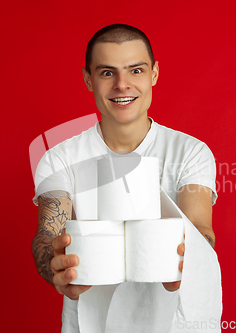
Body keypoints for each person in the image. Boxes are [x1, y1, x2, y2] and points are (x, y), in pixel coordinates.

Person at [32, 23, 218, 332]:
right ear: (88, 79)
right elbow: (47, 234)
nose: (122, 85)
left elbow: (199, 227)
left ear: (154, 74)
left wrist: (190, 257)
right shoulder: (60, 157)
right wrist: (56, 268)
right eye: (107, 73)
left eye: (136, 70)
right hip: (92, 321)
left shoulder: (190, 152)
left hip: (173, 322)